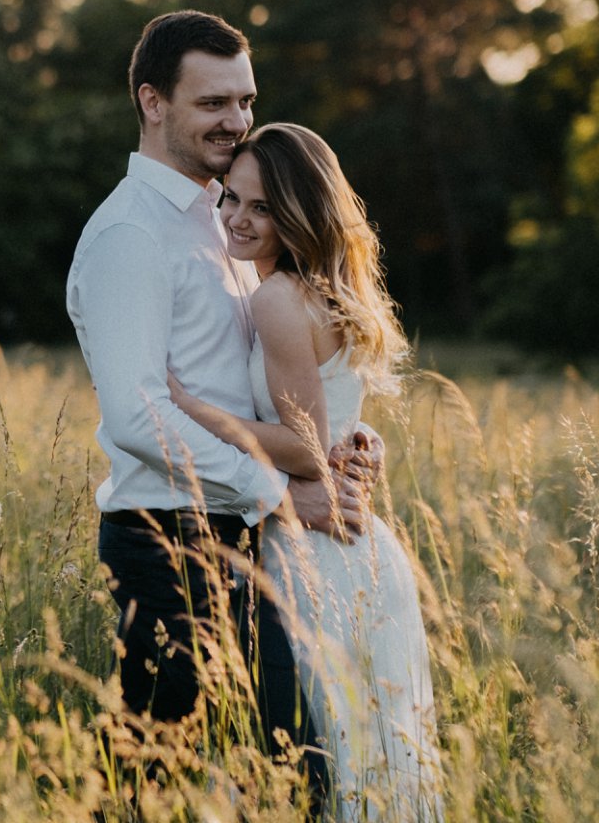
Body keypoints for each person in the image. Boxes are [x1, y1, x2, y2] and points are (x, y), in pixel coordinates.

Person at [66, 10, 374, 810]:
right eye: (213, 104)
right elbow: (138, 418)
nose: (237, 122)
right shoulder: (129, 237)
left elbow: (269, 382)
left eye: (245, 100)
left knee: (263, 773)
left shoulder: (228, 219)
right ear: (152, 102)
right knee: (162, 781)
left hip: (244, 539)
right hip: (170, 546)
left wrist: (342, 441)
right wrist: (279, 493)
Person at [169, 122, 443, 820]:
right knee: (370, 760)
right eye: (230, 199)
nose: (237, 218)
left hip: (314, 555)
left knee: (312, 761)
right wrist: (364, 442)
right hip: (364, 553)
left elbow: (306, 446)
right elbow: (341, 423)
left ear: (298, 215)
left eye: (261, 208)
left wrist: (186, 405)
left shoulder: (276, 298)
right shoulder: (324, 290)